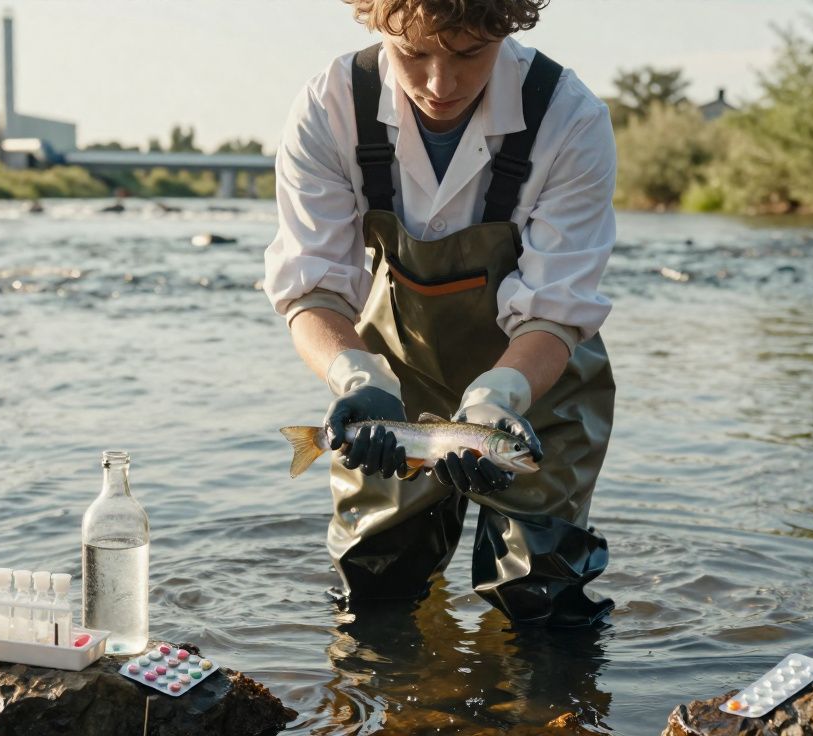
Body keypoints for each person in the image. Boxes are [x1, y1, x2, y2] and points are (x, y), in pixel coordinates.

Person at [264, 0, 618, 627]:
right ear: (377, 25)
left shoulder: (570, 117)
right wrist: (355, 378)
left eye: (466, 54)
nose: (439, 85)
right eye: (414, 53)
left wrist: (497, 400)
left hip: (538, 385)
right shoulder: (328, 108)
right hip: (394, 380)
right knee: (375, 596)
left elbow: (557, 310)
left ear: (505, 29)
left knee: (542, 604)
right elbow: (311, 291)